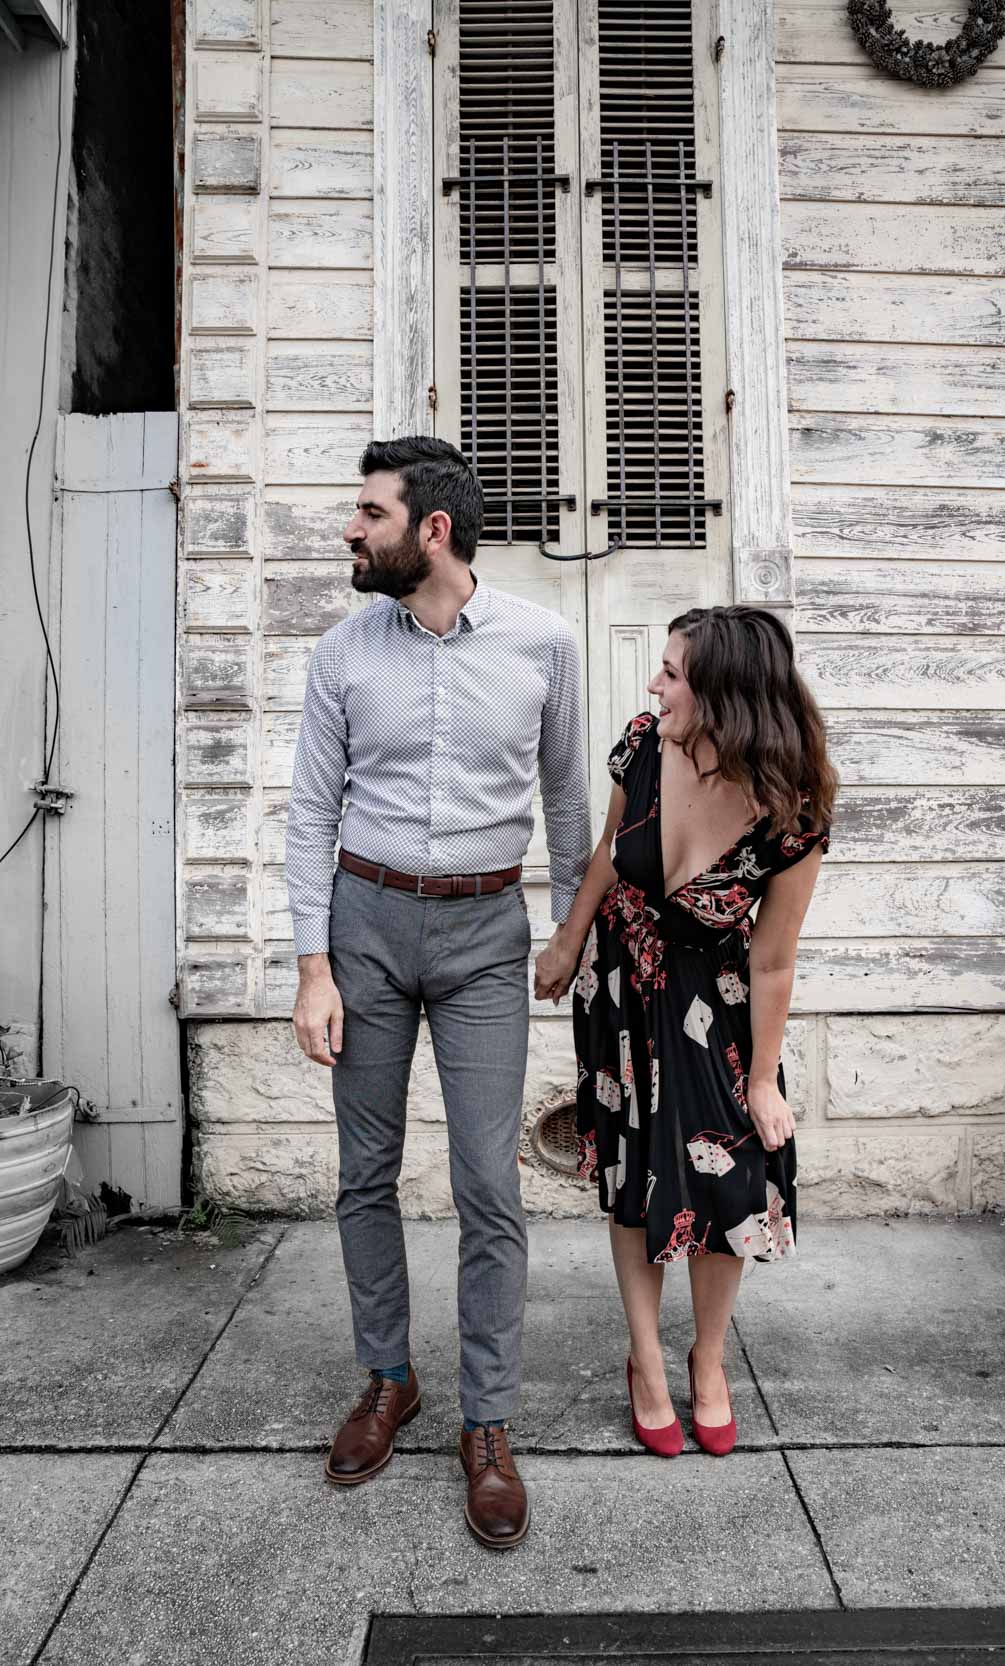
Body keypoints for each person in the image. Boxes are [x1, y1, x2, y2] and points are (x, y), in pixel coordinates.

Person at [286, 436, 591, 1547]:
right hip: (364, 922)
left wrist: (568, 932)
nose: (349, 530)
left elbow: (567, 798)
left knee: (486, 1185)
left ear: (432, 531)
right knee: (363, 1172)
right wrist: (313, 967)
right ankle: (387, 1378)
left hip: (481, 933)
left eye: (367, 513)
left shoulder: (543, 644)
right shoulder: (341, 651)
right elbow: (309, 815)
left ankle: (489, 1422)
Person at [533, 606, 835, 1457]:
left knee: (725, 1181)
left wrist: (764, 1079)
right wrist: (564, 941)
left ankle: (707, 1358)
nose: (653, 684)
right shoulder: (642, 743)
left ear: (727, 694)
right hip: (618, 985)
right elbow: (607, 849)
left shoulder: (792, 813)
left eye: (671, 672)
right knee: (633, 1168)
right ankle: (645, 1362)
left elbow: (773, 961)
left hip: (716, 1004)